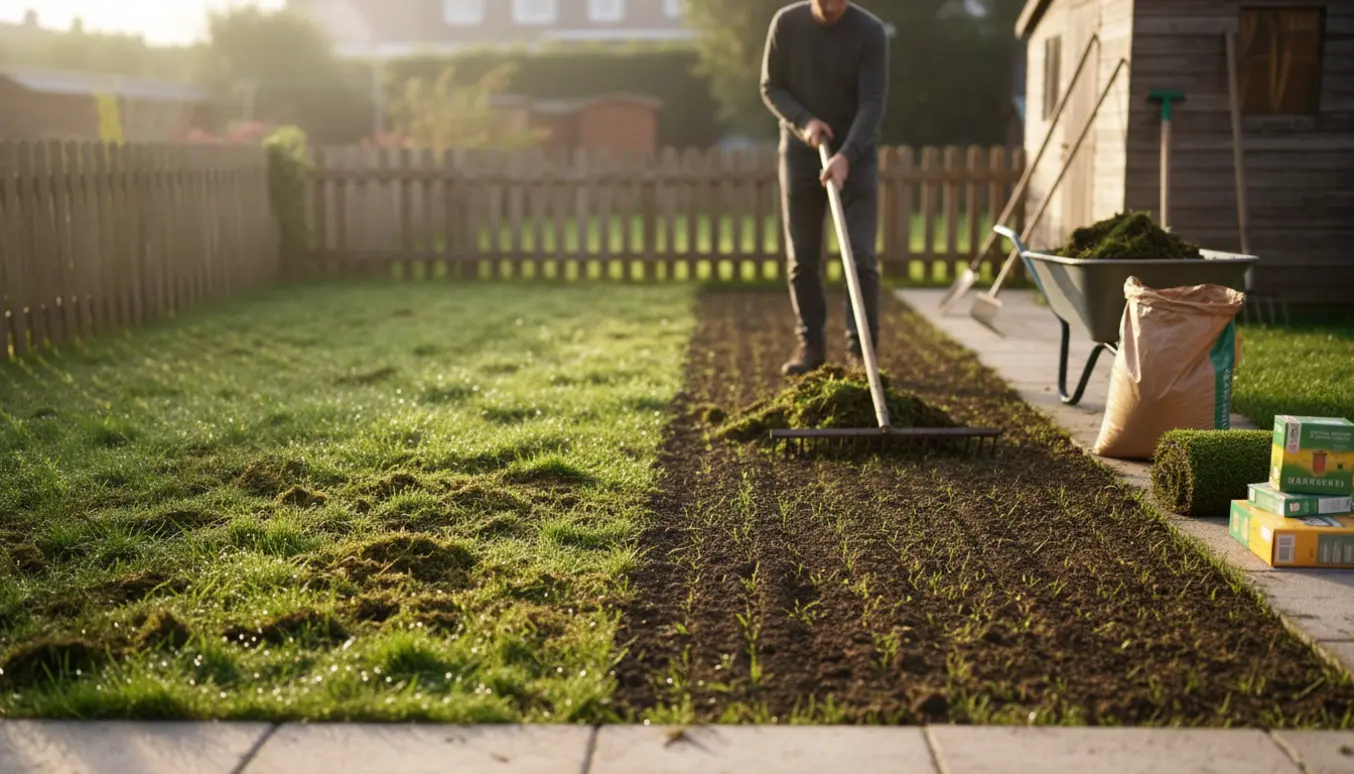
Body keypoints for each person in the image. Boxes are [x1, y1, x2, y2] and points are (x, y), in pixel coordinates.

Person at [759, 0, 889, 376]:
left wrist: (847, 154)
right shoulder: (786, 24)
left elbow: (873, 102)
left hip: (857, 156)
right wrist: (805, 121)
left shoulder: (870, 32)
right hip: (801, 155)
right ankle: (811, 346)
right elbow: (772, 86)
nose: (832, 6)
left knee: (860, 256)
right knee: (803, 258)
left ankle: (862, 350)